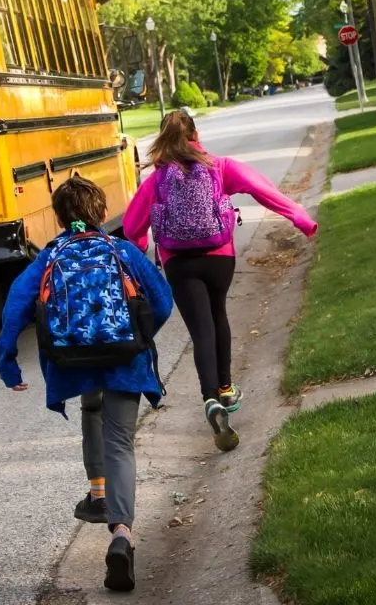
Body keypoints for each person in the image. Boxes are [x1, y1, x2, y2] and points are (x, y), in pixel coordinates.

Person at [0, 176, 172, 592]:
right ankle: (122, 534)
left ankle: (97, 492)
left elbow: (16, 306)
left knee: (91, 407)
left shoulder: (50, 256)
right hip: (124, 358)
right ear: (98, 211)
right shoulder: (122, 250)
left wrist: (8, 362)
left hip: (72, 359)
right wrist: (138, 336)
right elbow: (162, 301)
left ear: (59, 216)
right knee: (120, 443)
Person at [123, 110, 318, 451]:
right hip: (219, 258)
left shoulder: (157, 180)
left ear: (163, 138)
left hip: (179, 263)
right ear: (196, 134)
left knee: (201, 331)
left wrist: (141, 244)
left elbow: (131, 226)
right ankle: (226, 388)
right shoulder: (220, 167)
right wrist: (299, 217)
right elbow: (262, 189)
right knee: (218, 316)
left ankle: (209, 398)